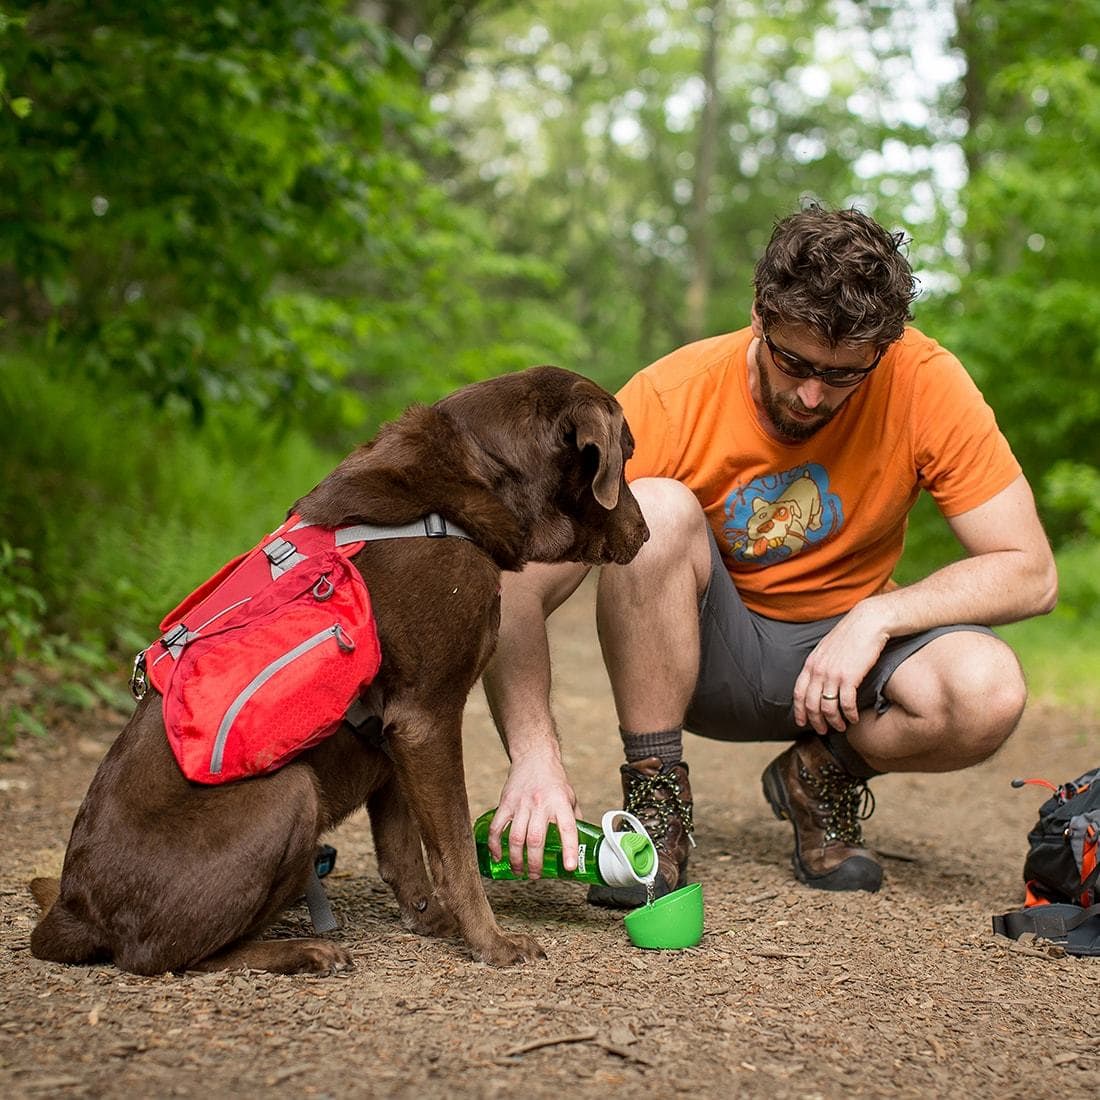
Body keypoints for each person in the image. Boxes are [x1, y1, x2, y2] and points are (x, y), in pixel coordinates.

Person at [481, 203, 1058, 905]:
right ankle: (658, 807)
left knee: (988, 690)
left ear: (886, 347)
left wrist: (877, 616)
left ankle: (818, 776)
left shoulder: (924, 381)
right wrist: (535, 754)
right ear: (759, 312)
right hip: (710, 658)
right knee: (656, 507)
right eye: (795, 363)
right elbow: (515, 583)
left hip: (846, 669)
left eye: (846, 374)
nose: (813, 395)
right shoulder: (670, 397)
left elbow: (1029, 570)